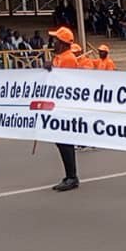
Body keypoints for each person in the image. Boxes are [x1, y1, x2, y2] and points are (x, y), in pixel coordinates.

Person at [46, 27, 81, 191]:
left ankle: (72, 177)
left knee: (64, 141)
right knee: (61, 141)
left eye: (56, 40)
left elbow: (64, 82)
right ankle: (69, 176)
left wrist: (51, 71)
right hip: (58, 105)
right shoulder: (59, 58)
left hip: (65, 106)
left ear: (63, 43)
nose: (53, 42)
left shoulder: (68, 59)